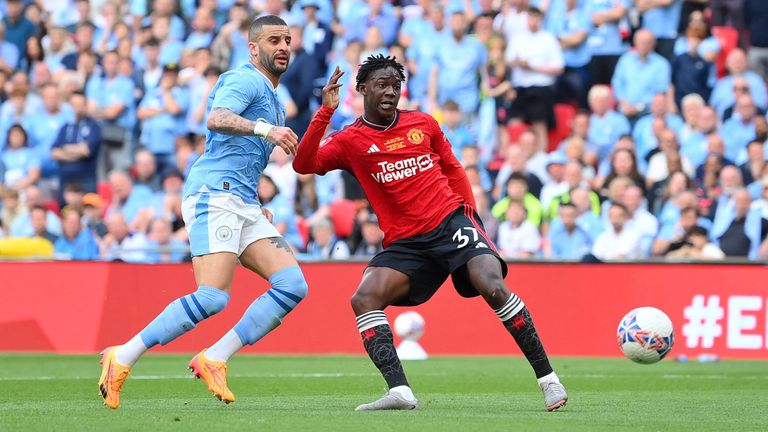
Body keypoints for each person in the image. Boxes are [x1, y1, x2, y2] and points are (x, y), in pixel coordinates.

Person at [293, 55, 567, 411]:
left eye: (395, 85)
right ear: (362, 90)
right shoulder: (352, 141)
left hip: (451, 222)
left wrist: (471, 218)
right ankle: (400, 393)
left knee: (493, 285)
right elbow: (303, 163)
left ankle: (549, 380)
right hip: (407, 243)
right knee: (364, 299)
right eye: (381, 85)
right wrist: (324, 113)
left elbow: (454, 171)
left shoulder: (423, 123)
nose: (390, 91)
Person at [97, 16, 310, 410]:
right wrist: (267, 131)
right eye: (274, 39)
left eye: (287, 39)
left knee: (292, 286)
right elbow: (215, 119)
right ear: (253, 47)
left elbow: (229, 150)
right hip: (215, 195)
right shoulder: (244, 79)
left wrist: (253, 199)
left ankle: (215, 357)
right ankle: (122, 356)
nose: (283, 46)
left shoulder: (273, 95)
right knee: (212, 297)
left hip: (241, 200)